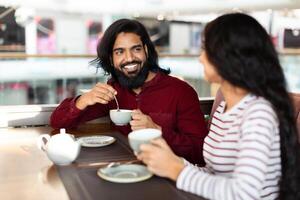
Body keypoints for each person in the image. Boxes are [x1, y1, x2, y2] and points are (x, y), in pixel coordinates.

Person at [137, 13, 300, 200]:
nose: (200, 58)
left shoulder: (258, 113)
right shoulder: (224, 108)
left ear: (229, 56)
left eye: (206, 49)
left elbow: (245, 194)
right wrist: (168, 160)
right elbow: (213, 174)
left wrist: (176, 170)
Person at [50, 19, 208, 165]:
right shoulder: (113, 92)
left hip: (168, 177)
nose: (129, 58)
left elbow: (200, 152)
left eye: (136, 49)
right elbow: (57, 121)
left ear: (146, 50)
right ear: (111, 59)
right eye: (119, 52)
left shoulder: (181, 91)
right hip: (121, 170)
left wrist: (158, 131)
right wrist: (83, 100)